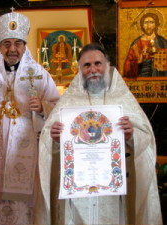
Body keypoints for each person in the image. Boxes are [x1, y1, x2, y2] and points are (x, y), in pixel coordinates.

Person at [37, 43, 162, 224]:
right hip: (78, 191)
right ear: (80, 69)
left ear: (107, 66)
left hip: (112, 191)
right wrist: (56, 139)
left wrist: (131, 135)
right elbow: (49, 141)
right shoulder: (69, 101)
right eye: (87, 65)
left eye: (98, 63)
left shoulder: (121, 98)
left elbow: (146, 137)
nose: (93, 69)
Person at [0, 10, 60, 225]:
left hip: (26, 152)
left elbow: (59, 109)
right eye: (7, 43)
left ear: (25, 45)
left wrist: (42, 107)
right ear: (0, 46)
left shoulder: (39, 74)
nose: (12, 49)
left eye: (18, 43)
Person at [124, 12, 167, 78]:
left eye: (151, 22)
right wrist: (138, 62)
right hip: (142, 76)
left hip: (159, 76)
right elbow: (128, 65)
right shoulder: (136, 43)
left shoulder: (162, 42)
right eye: (146, 22)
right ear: (142, 25)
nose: (148, 25)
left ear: (156, 24)